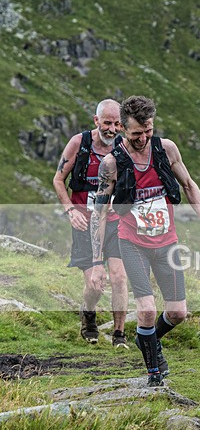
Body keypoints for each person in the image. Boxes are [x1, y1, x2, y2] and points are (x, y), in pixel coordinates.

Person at [89, 95, 200, 386]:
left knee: (177, 312)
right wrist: (97, 262)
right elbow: (99, 214)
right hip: (131, 243)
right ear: (123, 128)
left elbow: (189, 184)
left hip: (166, 243)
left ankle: (147, 340)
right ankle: (154, 375)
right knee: (146, 309)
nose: (143, 138)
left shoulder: (166, 149)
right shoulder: (112, 163)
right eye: (136, 133)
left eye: (148, 131)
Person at [52, 99, 129, 347]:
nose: (113, 129)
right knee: (95, 284)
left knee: (118, 277)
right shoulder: (79, 143)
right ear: (96, 121)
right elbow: (58, 179)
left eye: (117, 123)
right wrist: (70, 210)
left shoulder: (123, 146)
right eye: (107, 123)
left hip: (115, 221)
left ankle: (119, 335)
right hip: (85, 222)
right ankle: (88, 314)